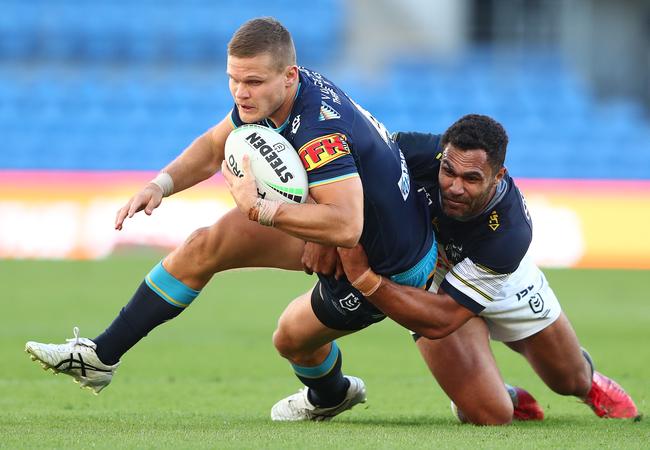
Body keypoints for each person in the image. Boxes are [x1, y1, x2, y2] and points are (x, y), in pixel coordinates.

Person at [25, 17, 438, 421]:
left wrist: (262, 209)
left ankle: (329, 395)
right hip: (358, 226)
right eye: (234, 79)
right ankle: (100, 356)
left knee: (291, 340)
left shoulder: (318, 131)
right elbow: (212, 147)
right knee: (205, 244)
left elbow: (346, 226)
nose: (241, 92)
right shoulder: (279, 92)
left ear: (289, 75)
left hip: (390, 263)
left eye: (253, 82)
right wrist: (160, 185)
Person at [336, 114, 639, 424]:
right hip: (431, 282)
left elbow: (444, 317)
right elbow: (344, 166)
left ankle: (589, 383)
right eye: (449, 172)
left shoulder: (510, 231)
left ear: (498, 176)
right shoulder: (416, 151)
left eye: (471, 179)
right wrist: (326, 232)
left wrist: (367, 280)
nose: (454, 187)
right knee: (491, 415)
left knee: (568, 380)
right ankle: (501, 393)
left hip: (500, 282)